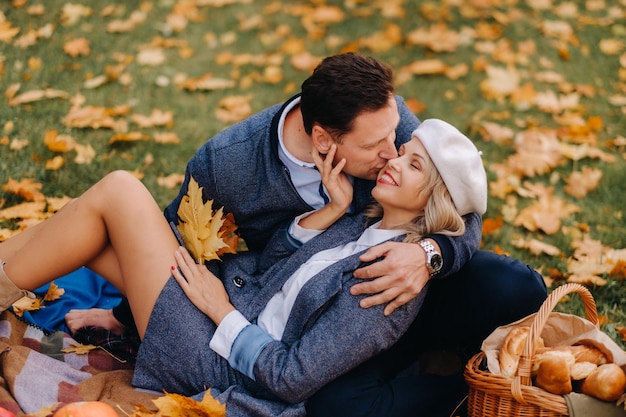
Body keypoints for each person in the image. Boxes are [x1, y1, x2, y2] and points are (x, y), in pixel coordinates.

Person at [2, 119, 485, 414]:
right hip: (217, 309)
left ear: (434, 202)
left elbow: (293, 377)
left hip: (217, 362)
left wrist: (220, 312)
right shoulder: (361, 221)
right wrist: (327, 214)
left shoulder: (389, 281)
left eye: (415, 166)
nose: (394, 159)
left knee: (120, 192)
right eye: (404, 152)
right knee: (93, 228)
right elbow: (278, 271)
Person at [64, 52, 482, 335]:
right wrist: (126, 316)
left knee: (506, 284)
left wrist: (429, 255)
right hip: (309, 319)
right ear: (323, 139)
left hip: (408, 289)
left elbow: (461, 206)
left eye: (395, 139)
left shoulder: (381, 118)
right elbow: (179, 249)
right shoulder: (226, 166)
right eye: (376, 147)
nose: (393, 154)